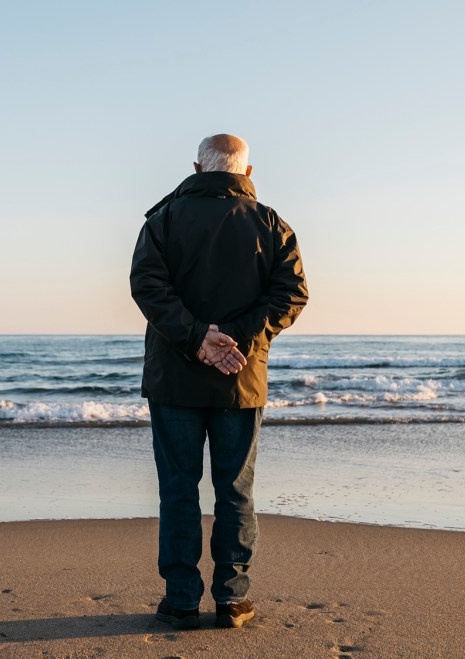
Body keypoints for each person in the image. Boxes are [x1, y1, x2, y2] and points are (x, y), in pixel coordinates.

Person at [129, 134, 309, 630]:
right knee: (235, 491)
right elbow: (291, 295)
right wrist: (234, 338)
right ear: (247, 173)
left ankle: (182, 601)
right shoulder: (271, 223)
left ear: (197, 168)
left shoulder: (163, 219)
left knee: (178, 490)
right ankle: (232, 599)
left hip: (174, 379)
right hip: (240, 379)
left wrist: (199, 338)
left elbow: (147, 286)